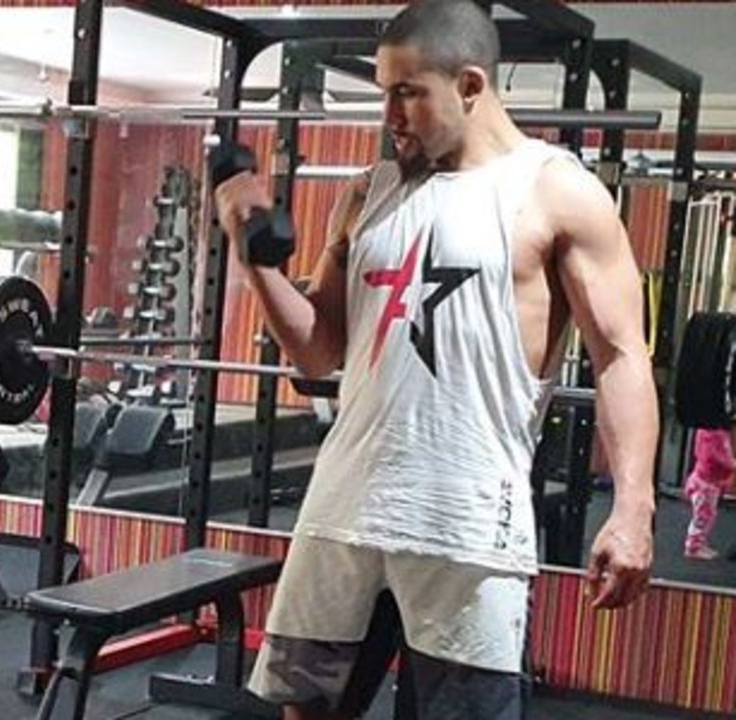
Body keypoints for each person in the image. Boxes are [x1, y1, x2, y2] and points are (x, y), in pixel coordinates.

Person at [212, 1, 657, 718]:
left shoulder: (555, 190)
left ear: (471, 86)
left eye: (406, 93)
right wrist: (250, 253)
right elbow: (316, 350)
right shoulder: (366, 193)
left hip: (465, 528)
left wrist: (632, 507)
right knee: (304, 713)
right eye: (382, 92)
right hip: (341, 514)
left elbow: (621, 355)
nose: (387, 114)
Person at [684, 427, 733, 560]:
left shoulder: (710, 431)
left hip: (705, 480)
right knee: (703, 516)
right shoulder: (714, 433)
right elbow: (714, 457)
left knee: (707, 515)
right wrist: (732, 464)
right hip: (706, 483)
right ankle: (693, 547)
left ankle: (699, 543)